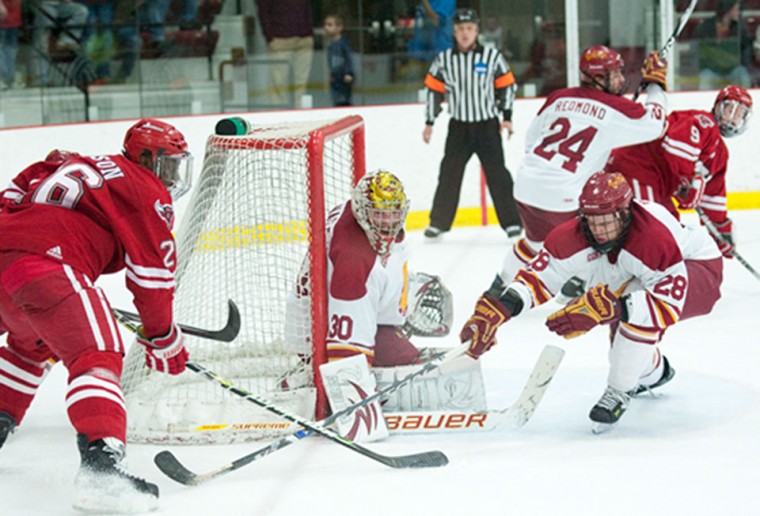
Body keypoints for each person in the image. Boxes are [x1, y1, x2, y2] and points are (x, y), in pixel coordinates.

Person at [0, 118, 193, 512]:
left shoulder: (70, 161)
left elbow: (12, 193)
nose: (170, 177)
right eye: (166, 165)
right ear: (144, 158)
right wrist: (161, 336)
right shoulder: (144, 187)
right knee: (97, 353)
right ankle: (102, 470)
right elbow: (152, 277)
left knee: (33, 341)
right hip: (44, 266)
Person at [460, 171, 723, 432]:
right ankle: (655, 373)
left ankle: (619, 392)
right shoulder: (573, 234)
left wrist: (614, 309)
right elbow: (540, 275)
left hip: (696, 268)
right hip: (637, 273)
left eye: (606, 221)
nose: (598, 230)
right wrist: (503, 308)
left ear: (625, 213)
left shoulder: (654, 238)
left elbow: (667, 304)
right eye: (592, 220)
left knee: (633, 325)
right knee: (623, 347)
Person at [501, 45, 669, 282]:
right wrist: (655, 85)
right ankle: (579, 288)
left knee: (533, 244)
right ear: (598, 77)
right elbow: (657, 124)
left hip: (526, 188)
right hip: (563, 199)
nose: (622, 79)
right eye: (615, 74)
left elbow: (531, 142)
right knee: (603, 241)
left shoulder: (558, 97)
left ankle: (499, 288)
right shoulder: (617, 108)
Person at [606, 84, 753, 259]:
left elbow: (713, 195)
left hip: (657, 183)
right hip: (635, 165)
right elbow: (677, 146)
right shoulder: (703, 122)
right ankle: (607, 273)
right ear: (717, 107)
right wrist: (686, 181)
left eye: (738, 115)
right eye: (730, 110)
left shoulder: (720, 154)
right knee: (651, 230)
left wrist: (721, 231)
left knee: (671, 232)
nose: (731, 119)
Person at [422, 8, 521, 241]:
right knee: (449, 173)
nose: (465, 33)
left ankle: (512, 223)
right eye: (460, 29)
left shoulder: (492, 57)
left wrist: (507, 117)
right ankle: (438, 224)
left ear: (476, 31)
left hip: (487, 125)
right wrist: (429, 121)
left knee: (498, 174)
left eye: (469, 29)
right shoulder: (444, 60)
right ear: (454, 32)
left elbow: (507, 85)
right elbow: (433, 91)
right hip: (459, 127)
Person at [255, 0, 314, 108]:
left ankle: (303, 115)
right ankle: (279, 117)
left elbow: (307, 8)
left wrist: (309, 32)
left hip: (303, 38)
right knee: (278, 85)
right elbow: (263, 12)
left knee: (302, 85)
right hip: (280, 39)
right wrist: (270, 38)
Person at [692, 0, 752, 90]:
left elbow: (745, 49)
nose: (738, 12)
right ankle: (704, 102)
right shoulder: (706, 26)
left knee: (742, 74)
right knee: (705, 77)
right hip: (712, 70)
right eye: (736, 9)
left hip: (733, 70)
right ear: (728, 9)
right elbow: (698, 49)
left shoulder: (739, 27)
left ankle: (744, 101)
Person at [324, 14, 354, 107]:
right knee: (336, 100)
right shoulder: (331, 45)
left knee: (344, 100)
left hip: (343, 77)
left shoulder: (344, 43)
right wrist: (331, 74)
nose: (326, 27)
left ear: (339, 27)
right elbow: (330, 61)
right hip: (335, 77)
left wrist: (349, 73)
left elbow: (349, 58)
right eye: (326, 24)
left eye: (330, 25)